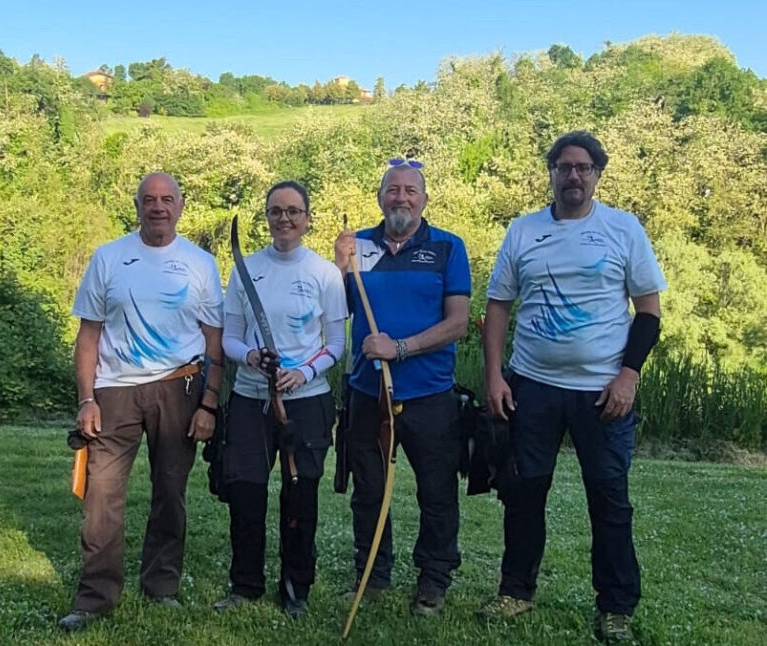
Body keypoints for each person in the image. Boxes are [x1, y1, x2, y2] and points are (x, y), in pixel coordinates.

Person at [481, 132, 666, 643]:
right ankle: (516, 591)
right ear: (552, 173)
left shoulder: (623, 229)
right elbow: (498, 306)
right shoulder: (523, 232)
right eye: (564, 167)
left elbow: (648, 313)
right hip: (532, 386)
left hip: (602, 390)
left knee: (608, 498)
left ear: (597, 174)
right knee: (523, 493)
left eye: (584, 167)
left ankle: (616, 607)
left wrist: (629, 375)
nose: (574, 176)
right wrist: (494, 375)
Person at [58, 172, 225, 632]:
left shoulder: (200, 264)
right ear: (136, 205)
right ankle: (94, 596)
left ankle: (162, 587)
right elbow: (88, 336)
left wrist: (209, 403)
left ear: (181, 205)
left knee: (170, 493)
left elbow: (215, 340)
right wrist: (86, 398)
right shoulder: (109, 258)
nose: (157, 207)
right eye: (148, 199)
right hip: (114, 391)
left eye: (166, 199)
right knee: (102, 498)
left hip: (181, 388)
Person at [334, 159, 471, 617]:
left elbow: (458, 324)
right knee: (369, 489)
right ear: (380, 198)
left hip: (429, 394)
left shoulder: (448, 248)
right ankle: (371, 576)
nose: (401, 198)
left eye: (411, 191)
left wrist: (402, 348)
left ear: (424, 199)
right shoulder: (359, 248)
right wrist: (338, 268)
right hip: (366, 392)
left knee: (436, 491)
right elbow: (335, 312)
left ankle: (433, 580)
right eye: (393, 190)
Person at [214, 180, 348, 619]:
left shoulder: (324, 273)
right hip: (251, 400)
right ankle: (245, 584)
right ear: (266, 217)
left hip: (306, 403)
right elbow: (230, 339)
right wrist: (251, 356)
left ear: (307, 217)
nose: (284, 218)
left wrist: (303, 371)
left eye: (293, 211)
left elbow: (335, 343)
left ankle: (296, 589)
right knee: (247, 494)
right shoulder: (246, 269)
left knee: (299, 495)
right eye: (276, 211)